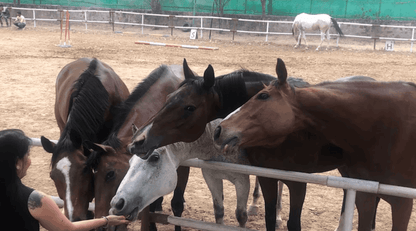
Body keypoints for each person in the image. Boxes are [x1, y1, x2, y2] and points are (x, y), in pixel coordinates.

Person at [0, 129, 130, 231]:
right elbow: (68, 228)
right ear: (17, 163)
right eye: (27, 155)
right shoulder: (34, 200)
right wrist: (106, 220)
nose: (29, 161)